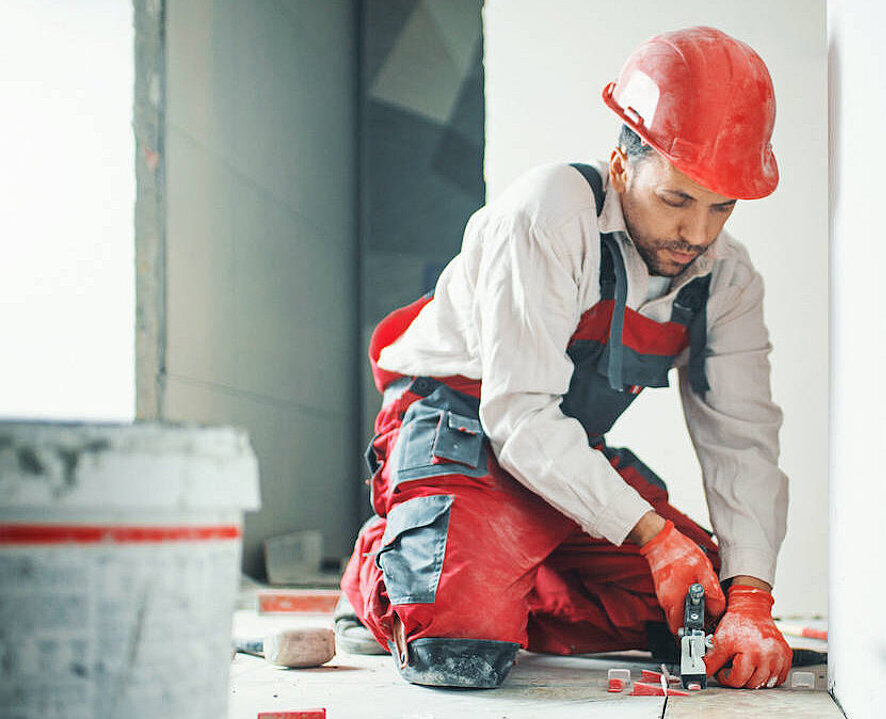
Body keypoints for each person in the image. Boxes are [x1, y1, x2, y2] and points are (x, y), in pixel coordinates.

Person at [338, 25, 792, 690]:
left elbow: (743, 443)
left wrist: (751, 596)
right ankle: (388, 570)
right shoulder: (549, 215)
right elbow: (519, 415)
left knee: (697, 608)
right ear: (621, 166)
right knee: (459, 646)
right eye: (675, 199)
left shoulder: (728, 280)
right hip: (456, 424)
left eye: (720, 206)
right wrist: (650, 534)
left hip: (559, 453)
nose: (696, 234)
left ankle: (502, 565)